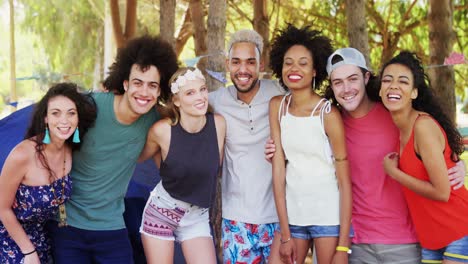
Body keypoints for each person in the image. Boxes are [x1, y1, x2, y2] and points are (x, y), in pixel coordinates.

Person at [266, 47, 467, 263]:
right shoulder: (332, 121)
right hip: (356, 242)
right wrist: (278, 150)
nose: (346, 89)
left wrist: (457, 164)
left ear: (367, 78)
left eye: (353, 79)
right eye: (338, 82)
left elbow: (433, 141)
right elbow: (306, 155)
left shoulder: (395, 114)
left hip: (403, 242)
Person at [47, 35, 179, 264]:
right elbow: (49, 135)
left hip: (111, 228)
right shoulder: (89, 107)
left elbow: (187, 121)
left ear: (160, 92)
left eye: (152, 85)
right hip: (67, 226)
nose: (144, 92)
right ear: (125, 83)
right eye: (138, 83)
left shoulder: (155, 120)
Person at [268, 24, 352, 264]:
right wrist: (285, 234)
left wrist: (343, 247)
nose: (294, 68)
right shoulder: (277, 106)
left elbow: (344, 183)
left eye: (303, 63)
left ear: (315, 70)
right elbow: (278, 169)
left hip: (327, 217)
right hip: (292, 216)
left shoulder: (328, 113)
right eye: (288, 62)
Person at [380, 51, 468, 264]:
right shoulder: (400, 129)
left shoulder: (423, 127)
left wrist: (395, 173)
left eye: (403, 81)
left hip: (459, 230)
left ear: (414, 93)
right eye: (387, 80)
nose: (393, 85)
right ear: (380, 89)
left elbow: (442, 192)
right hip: (431, 239)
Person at [208, 29, 284, 263]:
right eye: (236, 62)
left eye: (251, 62)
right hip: (236, 218)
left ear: (261, 65)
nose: (243, 70)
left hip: (280, 217)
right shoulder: (214, 100)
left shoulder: (281, 92)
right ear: (227, 64)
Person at [0, 83, 97, 264]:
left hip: (44, 237)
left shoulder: (70, 149)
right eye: (56, 113)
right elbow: (1, 208)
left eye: (71, 113)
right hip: (9, 237)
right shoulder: (22, 155)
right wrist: (28, 252)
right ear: (45, 118)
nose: (64, 120)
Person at [138, 67, 226, 263]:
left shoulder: (218, 125)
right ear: (176, 101)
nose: (200, 97)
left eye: (202, 89)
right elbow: (138, 158)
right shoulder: (162, 131)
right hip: (162, 211)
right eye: (190, 93)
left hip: (197, 216)